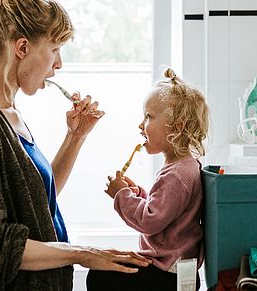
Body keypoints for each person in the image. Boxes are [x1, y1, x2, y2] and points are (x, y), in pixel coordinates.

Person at [0, 0, 151, 290]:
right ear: (22, 48)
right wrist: (82, 253)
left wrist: (75, 137)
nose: (59, 64)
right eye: (54, 50)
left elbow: (36, 199)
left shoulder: (10, 114)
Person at [86, 68, 209, 291]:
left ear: (176, 127)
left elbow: (150, 221)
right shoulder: (183, 167)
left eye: (149, 117)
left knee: (99, 275)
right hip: (177, 271)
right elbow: (167, 212)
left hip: (166, 275)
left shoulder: (177, 174)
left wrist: (121, 195)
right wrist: (140, 195)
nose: (141, 124)